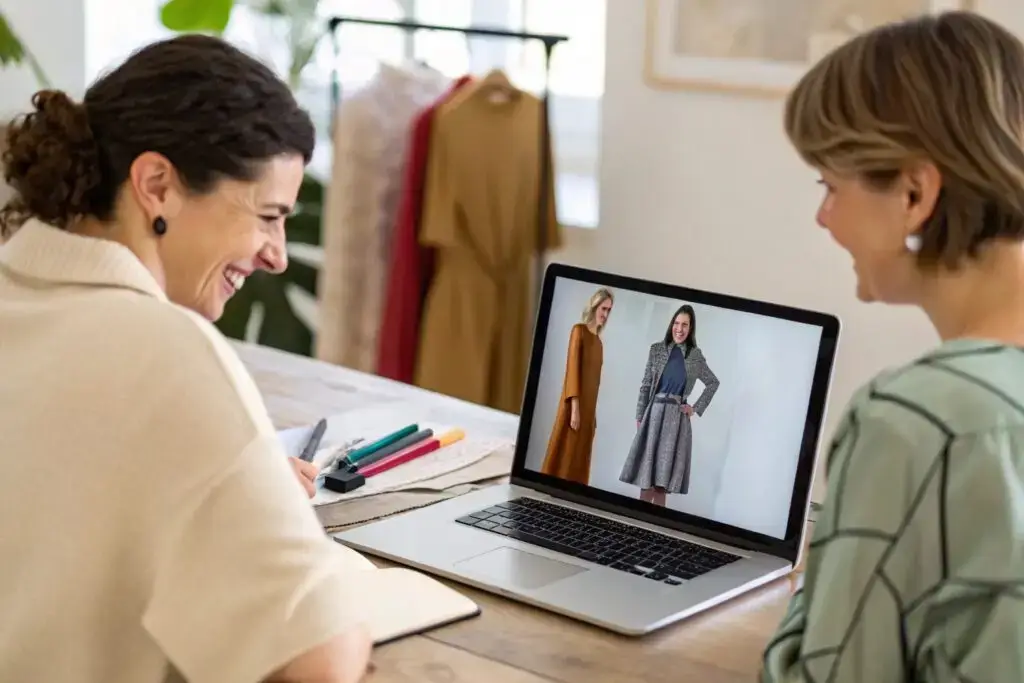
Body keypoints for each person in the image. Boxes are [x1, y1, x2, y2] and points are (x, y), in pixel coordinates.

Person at [0, 36, 371, 683]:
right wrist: (278, 528)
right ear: (157, 186)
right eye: (267, 215)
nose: (277, 254)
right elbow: (321, 662)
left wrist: (235, 489)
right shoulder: (170, 353)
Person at [761, 11, 1024, 682]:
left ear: (914, 192)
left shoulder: (919, 418)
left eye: (830, 185)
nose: (824, 217)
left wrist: (816, 582)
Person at [619, 304, 719, 506]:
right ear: (671, 324)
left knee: (661, 482)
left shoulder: (695, 356)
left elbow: (713, 382)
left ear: (691, 329)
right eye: (676, 323)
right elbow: (646, 385)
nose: (679, 329)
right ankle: (639, 523)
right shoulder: (656, 350)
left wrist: (694, 408)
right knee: (645, 478)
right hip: (653, 416)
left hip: (676, 420)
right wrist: (640, 416)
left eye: (685, 325)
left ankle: (655, 528)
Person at [539, 287, 614, 485]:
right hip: (574, 405)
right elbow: (572, 370)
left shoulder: (599, 343)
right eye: (603, 309)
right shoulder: (578, 331)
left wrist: (593, 415)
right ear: (595, 306)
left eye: (609, 311)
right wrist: (574, 409)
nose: (605, 315)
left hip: (588, 412)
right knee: (565, 453)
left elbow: (594, 382)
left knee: (580, 459)